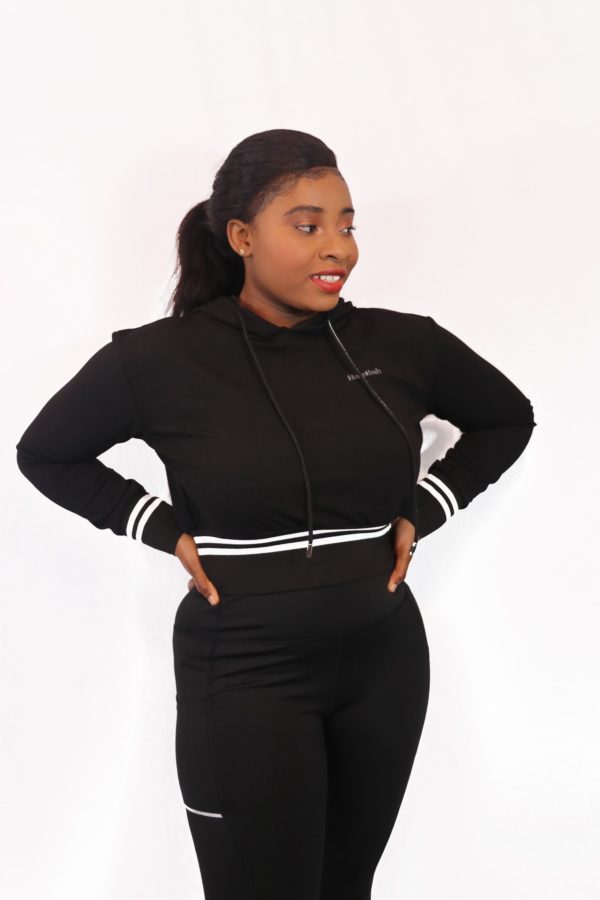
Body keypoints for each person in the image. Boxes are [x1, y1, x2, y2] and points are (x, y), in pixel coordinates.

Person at [15, 128, 537, 900]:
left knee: (343, 888)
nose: (337, 247)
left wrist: (424, 510)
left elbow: (507, 418)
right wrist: (162, 529)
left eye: (347, 224)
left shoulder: (402, 344)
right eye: (307, 224)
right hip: (245, 673)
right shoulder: (158, 361)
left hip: (384, 662)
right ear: (241, 237)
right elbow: (47, 452)